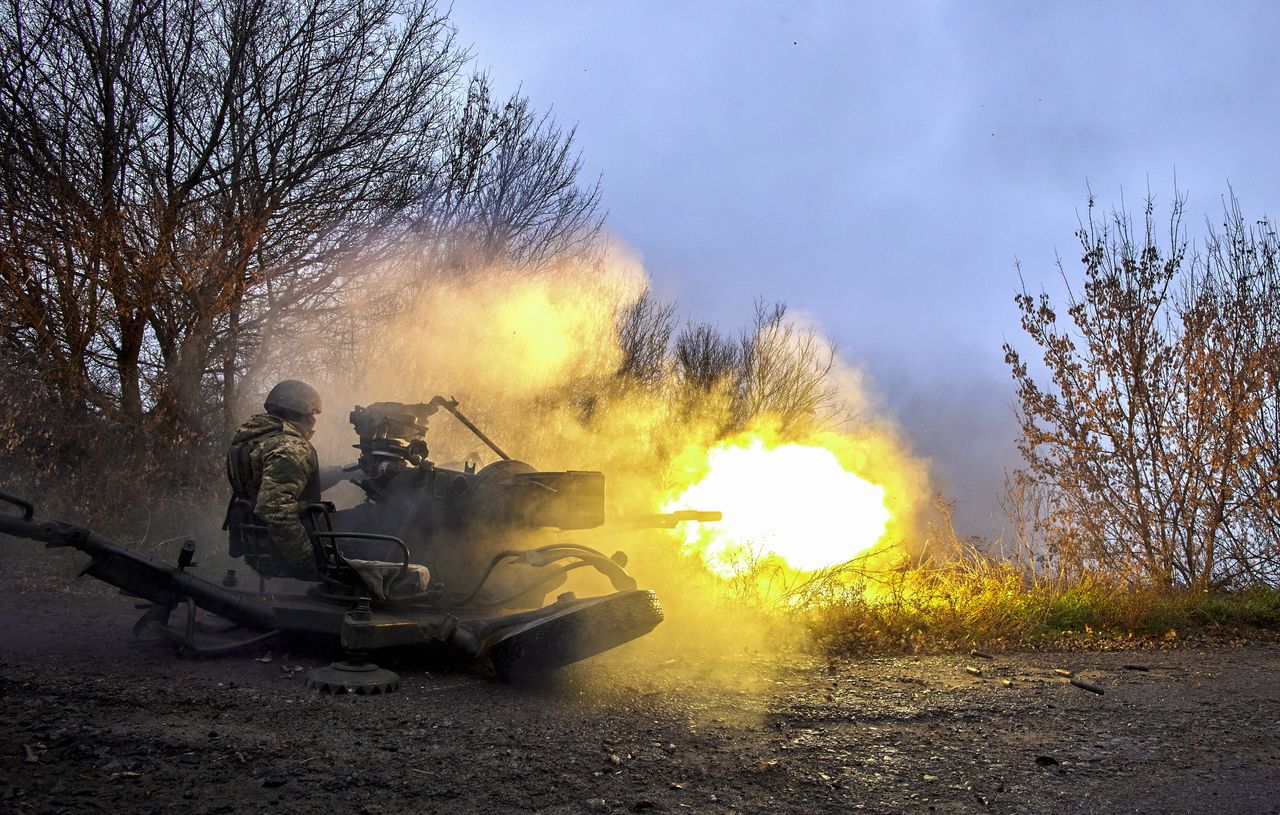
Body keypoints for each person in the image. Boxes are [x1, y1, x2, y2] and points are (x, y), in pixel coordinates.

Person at [224, 379, 325, 580]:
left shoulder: (257, 439)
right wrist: (307, 564)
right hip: (282, 547)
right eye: (313, 413)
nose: (314, 419)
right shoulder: (291, 447)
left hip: (259, 538)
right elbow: (275, 509)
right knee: (365, 522)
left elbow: (273, 480)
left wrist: (340, 474)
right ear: (302, 412)